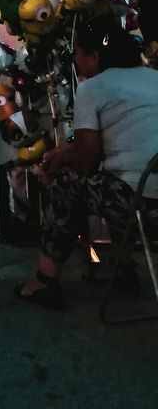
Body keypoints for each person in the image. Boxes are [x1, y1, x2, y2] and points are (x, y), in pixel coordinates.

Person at [15, 18, 158, 309]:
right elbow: (117, 141)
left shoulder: (94, 88)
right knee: (120, 180)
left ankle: (45, 280)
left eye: (78, 52)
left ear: (94, 57)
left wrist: (59, 162)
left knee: (69, 184)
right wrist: (65, 152)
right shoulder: (154, 78)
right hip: (144, 193)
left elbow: (88, 161)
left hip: (145, 204)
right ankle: (123, 270)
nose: (75, 59)